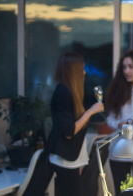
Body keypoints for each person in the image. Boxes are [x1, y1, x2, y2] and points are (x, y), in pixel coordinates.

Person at [30, 52, 104, 196]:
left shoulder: (68, 92)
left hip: (70, 156)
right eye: (82, 69)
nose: (84, 72)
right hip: (65, 157)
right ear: (74, 71)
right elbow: (69, 132)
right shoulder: (63, 93)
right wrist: (90, 112)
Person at [104, 49, 133, 196]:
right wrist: (119, 124)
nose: (127, 71)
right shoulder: (119, 90)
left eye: (131, 67)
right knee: (123, 190)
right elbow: (110, 118)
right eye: (124, 67)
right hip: (119, 147)